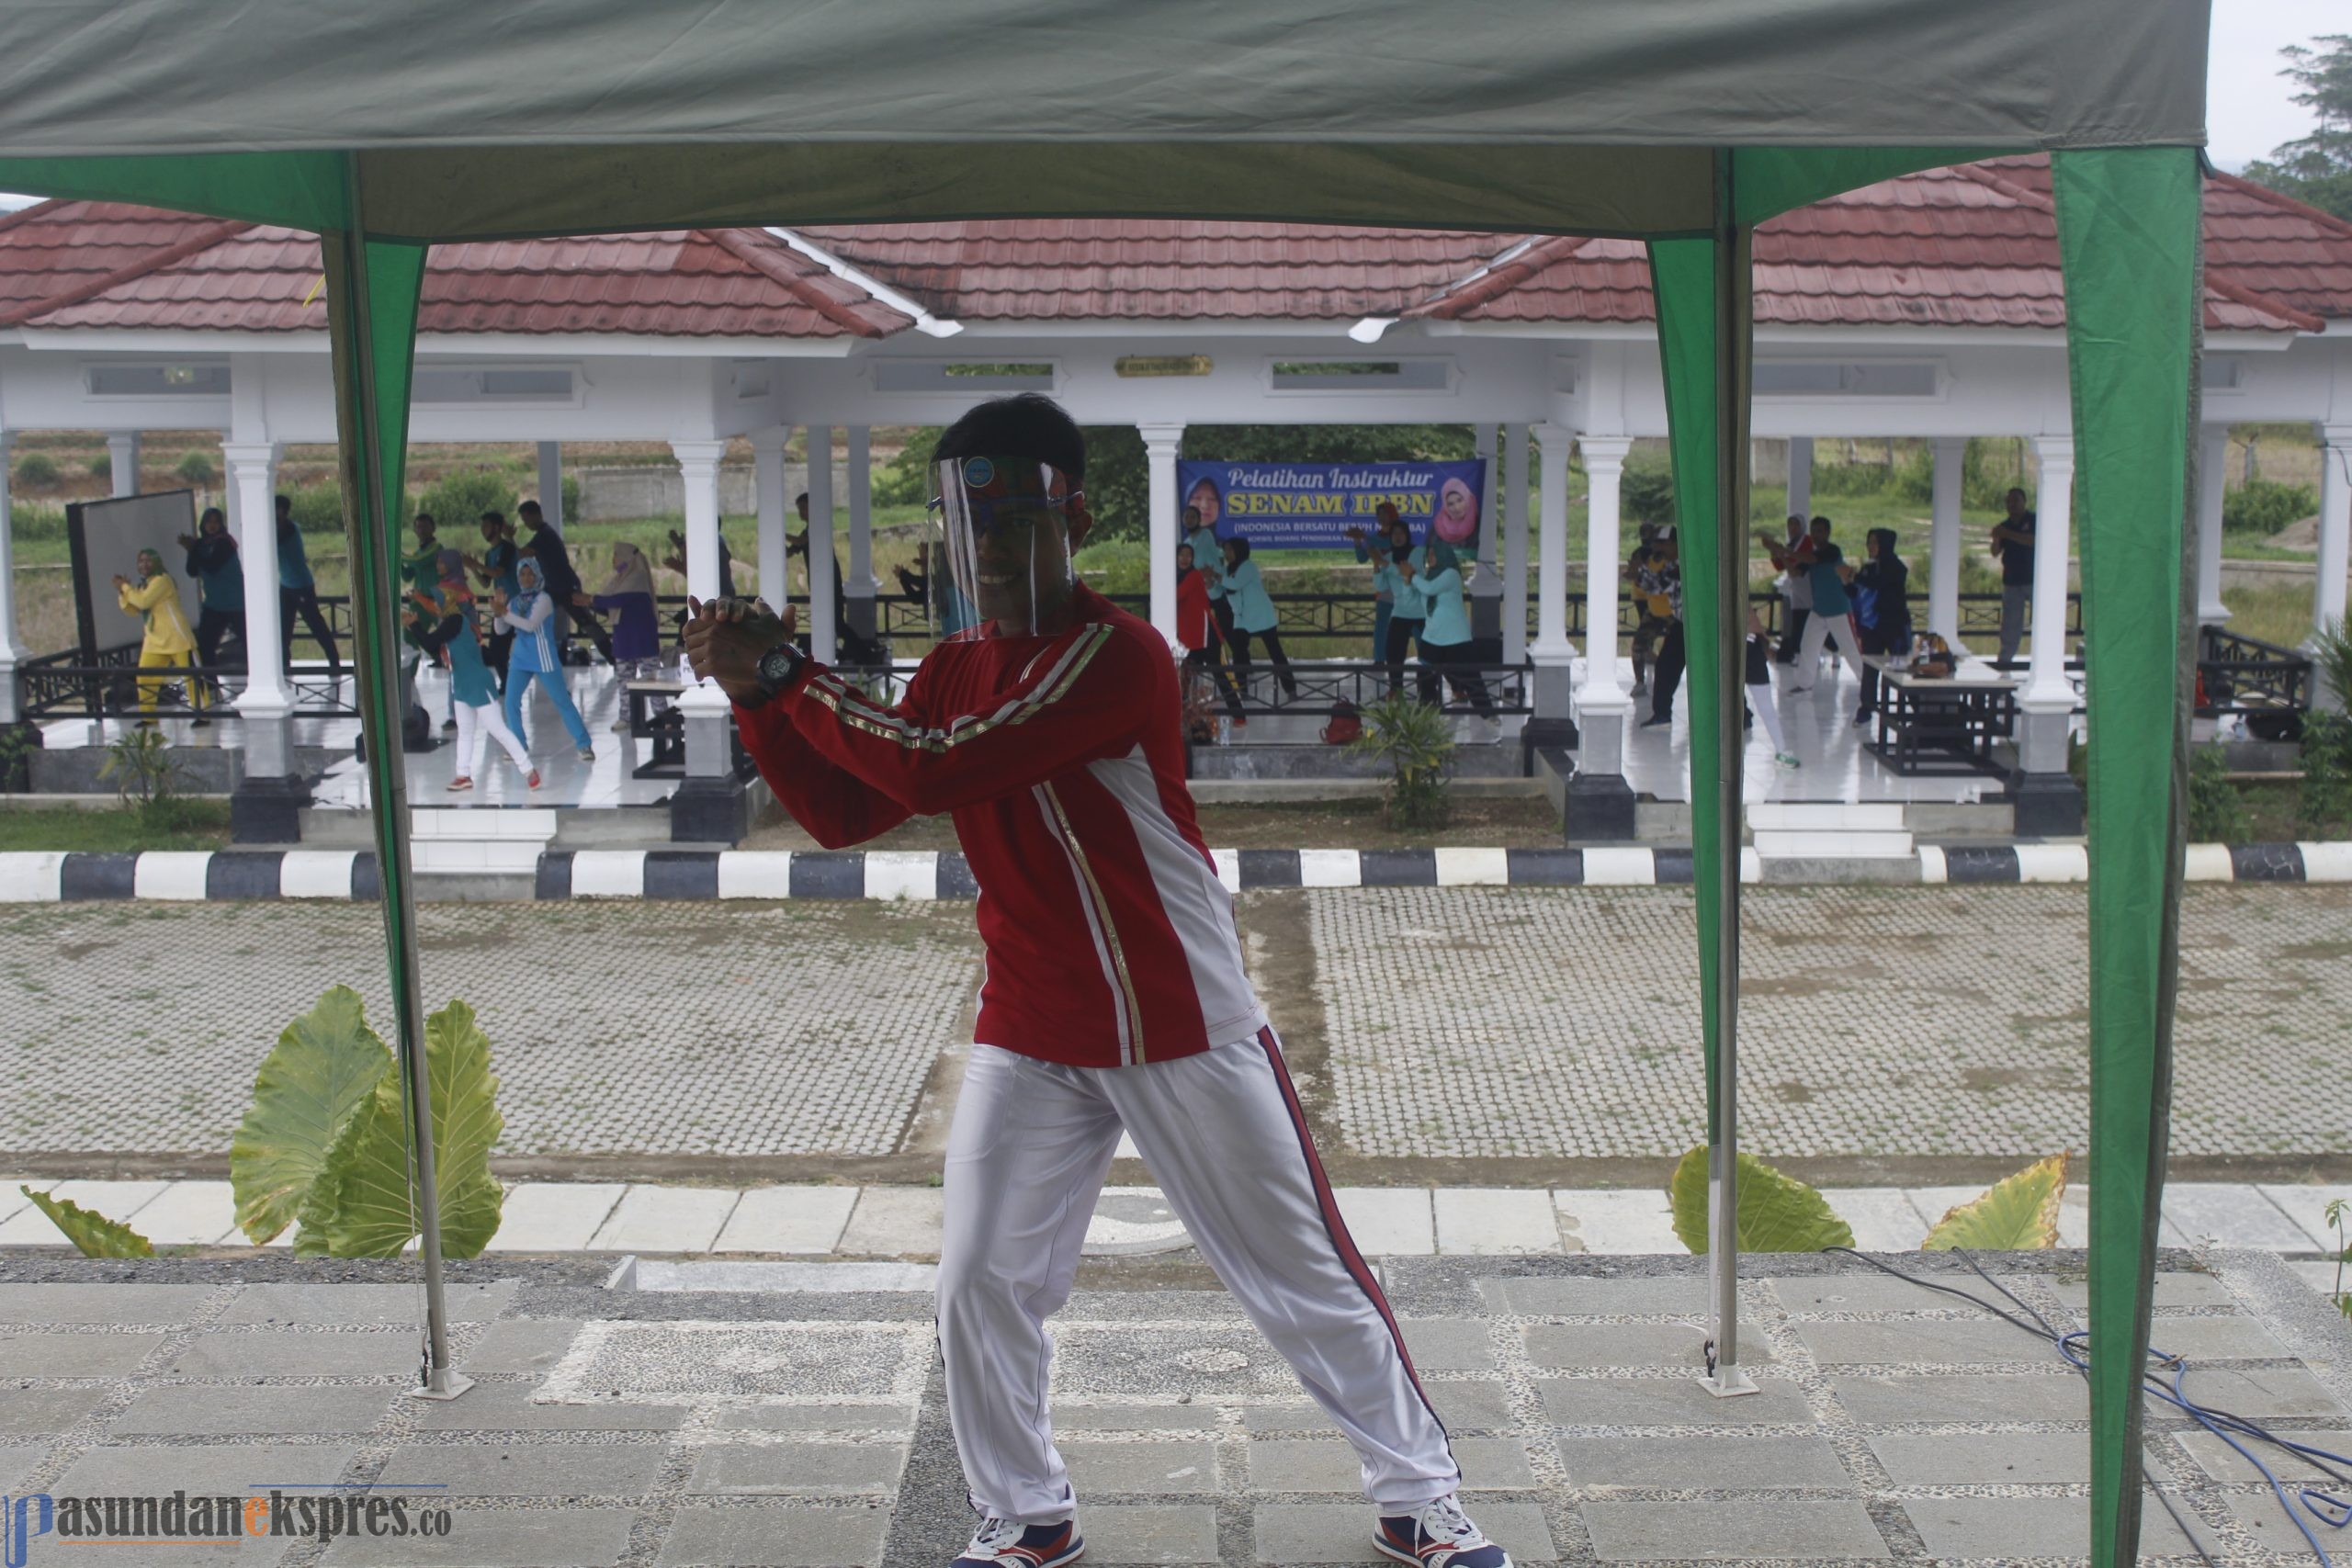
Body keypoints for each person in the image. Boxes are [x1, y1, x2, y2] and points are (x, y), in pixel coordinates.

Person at [684, 393, 1511, 1568]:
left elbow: (936, 772)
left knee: (1294, 1271)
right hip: (1031, 1022)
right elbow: (839, 812)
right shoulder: (955, 663)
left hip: (1176, 1016)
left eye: (1015, 531)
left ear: (1071, 521)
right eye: (970, 539)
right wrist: (757, 694)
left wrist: (788, 672)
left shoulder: (1119, 657)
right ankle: (1026, 1516)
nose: (991, 563)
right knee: (980, 1279)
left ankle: (1418, 1494)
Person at [406, 553, 537, 793]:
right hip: (463, 684)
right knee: (465, 731)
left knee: (497, 730)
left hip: (477, 683)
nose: (436, 605)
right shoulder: (451, 620)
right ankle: (463, 775)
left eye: (439, 600)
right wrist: (415, 623)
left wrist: (413, 625)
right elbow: (437, 650)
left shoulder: (454, 620)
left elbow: (431, 643)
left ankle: (528, 769)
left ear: (449, 600)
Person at [496, 555, 595, 761]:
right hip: (520, 658)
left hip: (543, 657)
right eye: (522, 574)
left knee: (561, 700)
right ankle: (519, 745)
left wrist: (503, 613)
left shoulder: (544, 599)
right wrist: (499, 613)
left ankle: (584, 744)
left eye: (530, 574)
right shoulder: (514, 601)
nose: (526, 578)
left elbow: (530, 625)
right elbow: (500, 630)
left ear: (537, 575)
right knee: (511, 701)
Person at [115, 548, 204, 725]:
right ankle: (148, 717)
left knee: (191, 677)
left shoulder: (163, 580)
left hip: (177, 637)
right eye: (141, 561)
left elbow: (143, 601)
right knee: (145, 677)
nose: (144, 564)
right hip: (154, 639)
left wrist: (126, 587)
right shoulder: (143, 586)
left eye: (148, 560)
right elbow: (133, 610)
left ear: (157, 562)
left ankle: (201, 714)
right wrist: (123, 593)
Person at [1408, 539, 1494, 719]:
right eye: (1429, 554)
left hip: (1456, 638)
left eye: (1433, 554)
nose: (1430, 557)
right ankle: (1426, 713)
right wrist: (1410, 578)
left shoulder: (1451, 574)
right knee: (1425, 677)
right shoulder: (1427, 577)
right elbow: (1422, 594)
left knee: (1471, 677)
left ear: (1443, 555)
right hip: (1432, 638)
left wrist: (1413, 577)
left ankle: (1488, 715)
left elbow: (1430, 589)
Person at [520, 499, 609, 664]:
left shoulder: (544, 535)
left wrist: (509, 538)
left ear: (537, 515)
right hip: (555, 590)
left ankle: (613, 658)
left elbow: (522, 555)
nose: (526, 524)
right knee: (555, 628)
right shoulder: (544, 534)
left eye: (527, 519)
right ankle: (556, 661)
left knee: (588, 624)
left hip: (566, 588)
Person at [1785, 516, 1869, 695]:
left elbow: (1811, 559)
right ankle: (1805, 683)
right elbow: (1794, 573)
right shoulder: (1811, 557)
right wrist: (1781, 555)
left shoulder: (1832, 551)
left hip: (1838, 610)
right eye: (1814, 531)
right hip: (1819, 610)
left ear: (1828, 533)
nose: (1816, 535)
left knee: (1851, 650)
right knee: (1808, 646)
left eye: (1820, 531)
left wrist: (1785, 551)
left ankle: (1867, 683)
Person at [1846, 527, 1913, 725]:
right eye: (1869, 542)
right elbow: (1859, 591)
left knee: (1902, 669)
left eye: (1875, 542)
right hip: (1872, 627)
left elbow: (1878, 584)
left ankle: (1916, 709)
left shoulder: (1895, 567)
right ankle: (1866, 709)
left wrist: (1854, 575)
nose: (1871, 546)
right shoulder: (1869, 567)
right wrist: (1846, 581)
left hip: (1893, 626)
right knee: (1870, 669)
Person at [176, 507, 243, 703]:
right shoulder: (201, 545)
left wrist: (193, 549)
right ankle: (211, 688)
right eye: (208, 522)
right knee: (205, 647)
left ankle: (265, 683)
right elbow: (192, 571)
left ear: (221, 524)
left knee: (249, 644)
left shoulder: (225, 542)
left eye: (215, 522)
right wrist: (193, 550)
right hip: (214, 605)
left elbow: (213, 566)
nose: (212, 526)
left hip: (236, 603)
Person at [1175, 541, 1246, 728]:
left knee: (1219, 675)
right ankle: (1180, 715)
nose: (1184, 559)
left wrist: (1157, 582)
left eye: (1188, 555)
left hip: (1207, 636)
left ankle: (1239, 715)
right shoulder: (1178, 577)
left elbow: (1176, 595)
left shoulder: (1193, 576)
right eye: (1181, 555)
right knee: (1185, 675)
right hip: (1190, 638)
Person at [1219, 535, 1296, 703]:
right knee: (1239, 654)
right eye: (1225, 550)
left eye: (1230, 550)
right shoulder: (1226, 570)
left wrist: (1216, 576)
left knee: (1275, 652)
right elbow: (1222, 589)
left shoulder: (1248, 567)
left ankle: (1291, 688)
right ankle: (1242, 690)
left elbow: (1234, 584)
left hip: (1261, 616)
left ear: (1239, 550)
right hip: (1241, 617)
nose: (1227, 553)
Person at [276, 493, 342, 679]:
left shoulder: (288, 528)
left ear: (281, 510)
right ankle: (284, 667)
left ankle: (334, 663)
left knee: (316, 625)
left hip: (301, 585)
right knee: (284, 629)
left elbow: (274, 540)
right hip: (286, 585)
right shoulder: (281, 527)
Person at [464, 511, 522, 677]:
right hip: (500, 605)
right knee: (497, 650)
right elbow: (485, 582)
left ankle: (509, 682)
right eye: (482, 527)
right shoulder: (490, 553)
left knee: (505, 648)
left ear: (496, 528)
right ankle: (506, 683)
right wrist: (473, 568)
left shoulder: (507, 548)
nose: (483, 530)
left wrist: (476, 564)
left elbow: (498, 572)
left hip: (515, 603)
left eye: (486, 526)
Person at [1636, 528, 1684, 728]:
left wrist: (1645, 569)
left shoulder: (1681, 567)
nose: (1660, 548)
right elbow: (1648, 586)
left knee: (1711, 673)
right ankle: (1662, 713)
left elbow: (1657, 585)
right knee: (1665, 669)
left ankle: (1743, 715)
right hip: (1681, 625)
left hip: (1694, 627)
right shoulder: (1670, 565)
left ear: (1675, 544)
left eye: (1663, 543)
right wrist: (1646, 564)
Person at [1375, 514, 1426, 697]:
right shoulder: (1387, 557)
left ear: (1407, 535)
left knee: (1429, 652)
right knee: (1394, 652)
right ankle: (1396, 689)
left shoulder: (1418, 552)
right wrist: (1376, 568)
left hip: (1420, 609)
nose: (1397, 536)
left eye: (1401, 533)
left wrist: (1386, 566)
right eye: (1394, 533)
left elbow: (1410, 574)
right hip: (1400, 611)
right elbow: (1381, 587)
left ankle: (1433, 689)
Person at [1347, 502, 1402, 662]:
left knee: (1412, 625)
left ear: (1392, 515)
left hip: (1402, 586)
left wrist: (1365, 537)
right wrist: (1357, 541)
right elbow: (1362, 558)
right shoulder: (1374, 537)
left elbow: (1388, 544)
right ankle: (1379, 660)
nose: (1382, 518)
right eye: (1379, 515)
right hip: (1383, 586)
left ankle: (1425, 661)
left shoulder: (1399, 535)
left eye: (1385, 514)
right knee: (1380, 627)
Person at [1745, 607, 1799, 769]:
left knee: (1765, 706)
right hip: (1746, 650)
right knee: (1766, 707)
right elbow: (1755, 626)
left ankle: (1781, 749)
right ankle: (1781, 750)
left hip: (1748, 652)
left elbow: (1754, 624)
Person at [1990, 486, 2037, 665]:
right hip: (2012, 581)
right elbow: (1995, 552)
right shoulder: (2004, 526)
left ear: (2024, 502)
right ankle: (2004, 660)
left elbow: (2033, 540)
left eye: (2016, 501)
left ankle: (2043, 659)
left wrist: (2008, 534)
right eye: (2009, 501)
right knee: (2011, 624)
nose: (2012, 505)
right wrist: (1997, 537)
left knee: (2041, 622)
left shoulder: (2033, 520)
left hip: (2034, 580)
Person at [1758, 514, 1812, 664]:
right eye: (1790, 525)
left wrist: (1779, 550)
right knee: (1795, 622)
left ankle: (1803, 653)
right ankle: (1795, 653)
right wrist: (1774, 551)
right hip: (1795, 589)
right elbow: (1781, 565)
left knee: (1805, 623)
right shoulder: (1792, 544)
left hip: (1806, 588)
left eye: (1796, 525)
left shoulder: (1806, 542)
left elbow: (1795, 562)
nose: (1792, 528)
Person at [1625, 524, 1670, 694]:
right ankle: (1640, 682)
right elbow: (1640, 576)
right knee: (1638, 645)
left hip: (1674, 613)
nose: (1655, 545)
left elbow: (1660, 584)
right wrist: (1636, 575)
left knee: (1675, 652)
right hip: (1655, 611)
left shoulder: (1672, 562)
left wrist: (1639, 577)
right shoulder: (1647, 557)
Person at [401, 512, 442, 594]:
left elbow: (418, 562)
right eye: (419, 527)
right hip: (419, 601)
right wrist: (398, 563)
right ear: (415, 530)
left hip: (435, 602)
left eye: (426, 527)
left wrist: (399, 556)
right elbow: (407, 577)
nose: (422, 530)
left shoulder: (437, 548)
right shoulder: (417, 554)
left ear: (433, 528)